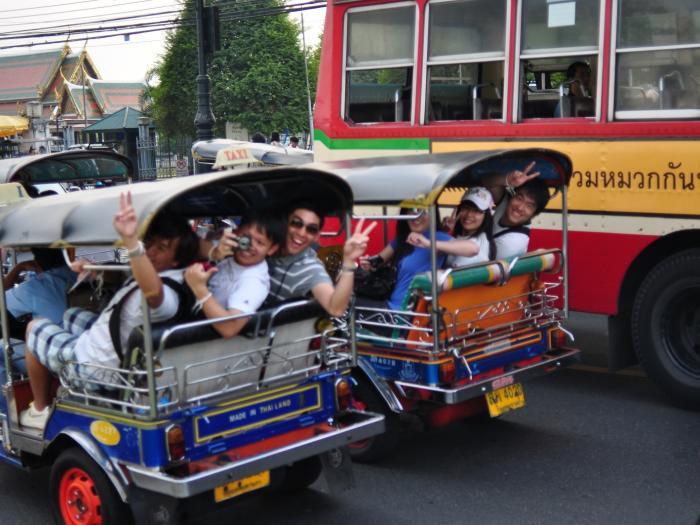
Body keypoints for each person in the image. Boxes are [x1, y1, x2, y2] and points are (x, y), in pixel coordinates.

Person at [19, 193, 199, 429]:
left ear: (177, 259)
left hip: (98, 369)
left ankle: (40, 410)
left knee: (34, 328)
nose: (151, 252)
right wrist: (90, 264)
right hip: (118, 348)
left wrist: (132, 241)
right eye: (151, 243)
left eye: (162, 248)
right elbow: (125, 261)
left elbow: (153, 292)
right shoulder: (175, 275)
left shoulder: (167, 295)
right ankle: (56, 366)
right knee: (70, 314)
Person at [185, 210, 285, 338]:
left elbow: (229, 328)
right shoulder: (229, 251)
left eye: (260, 242)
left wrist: (199, 289)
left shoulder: (254, 282)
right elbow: (191, 244)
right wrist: (214, 252)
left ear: (272, 249)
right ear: (236, 232)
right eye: (246, 237)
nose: (248, 246)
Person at [265, 201, 376, 317]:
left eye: (311, 229)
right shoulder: (265, 241)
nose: (302, 233)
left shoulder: (310, 268)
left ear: (317, 236)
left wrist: (348, 260)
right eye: (296, 223)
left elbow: (335, 309)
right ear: (285, 224)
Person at [360, 207, 481, 311]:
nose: (416, 216)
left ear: (433, 213)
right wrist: (369, 264)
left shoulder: (437, 237)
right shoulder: (402, 239)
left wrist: (428, 243)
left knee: (347, 307)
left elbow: (472, 249)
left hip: (405, 314)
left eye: (422, 211)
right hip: (389, 304)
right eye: (411, 210)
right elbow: (378, 260)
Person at [486, 162, 551, 259]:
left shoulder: (513, 243)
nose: (520, 207)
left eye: (529, 206)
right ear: (512, 196)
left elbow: (479, 267)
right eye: (519, 198)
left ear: (534, 214)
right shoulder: (506, 202)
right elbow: (486, 181)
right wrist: (507, 179)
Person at [443, 187, 495, 267]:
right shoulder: (458, 235)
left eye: (477, 211)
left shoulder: (478, 243)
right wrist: (447, 232)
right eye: (466, 208)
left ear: (486, 216)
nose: (469, 214)